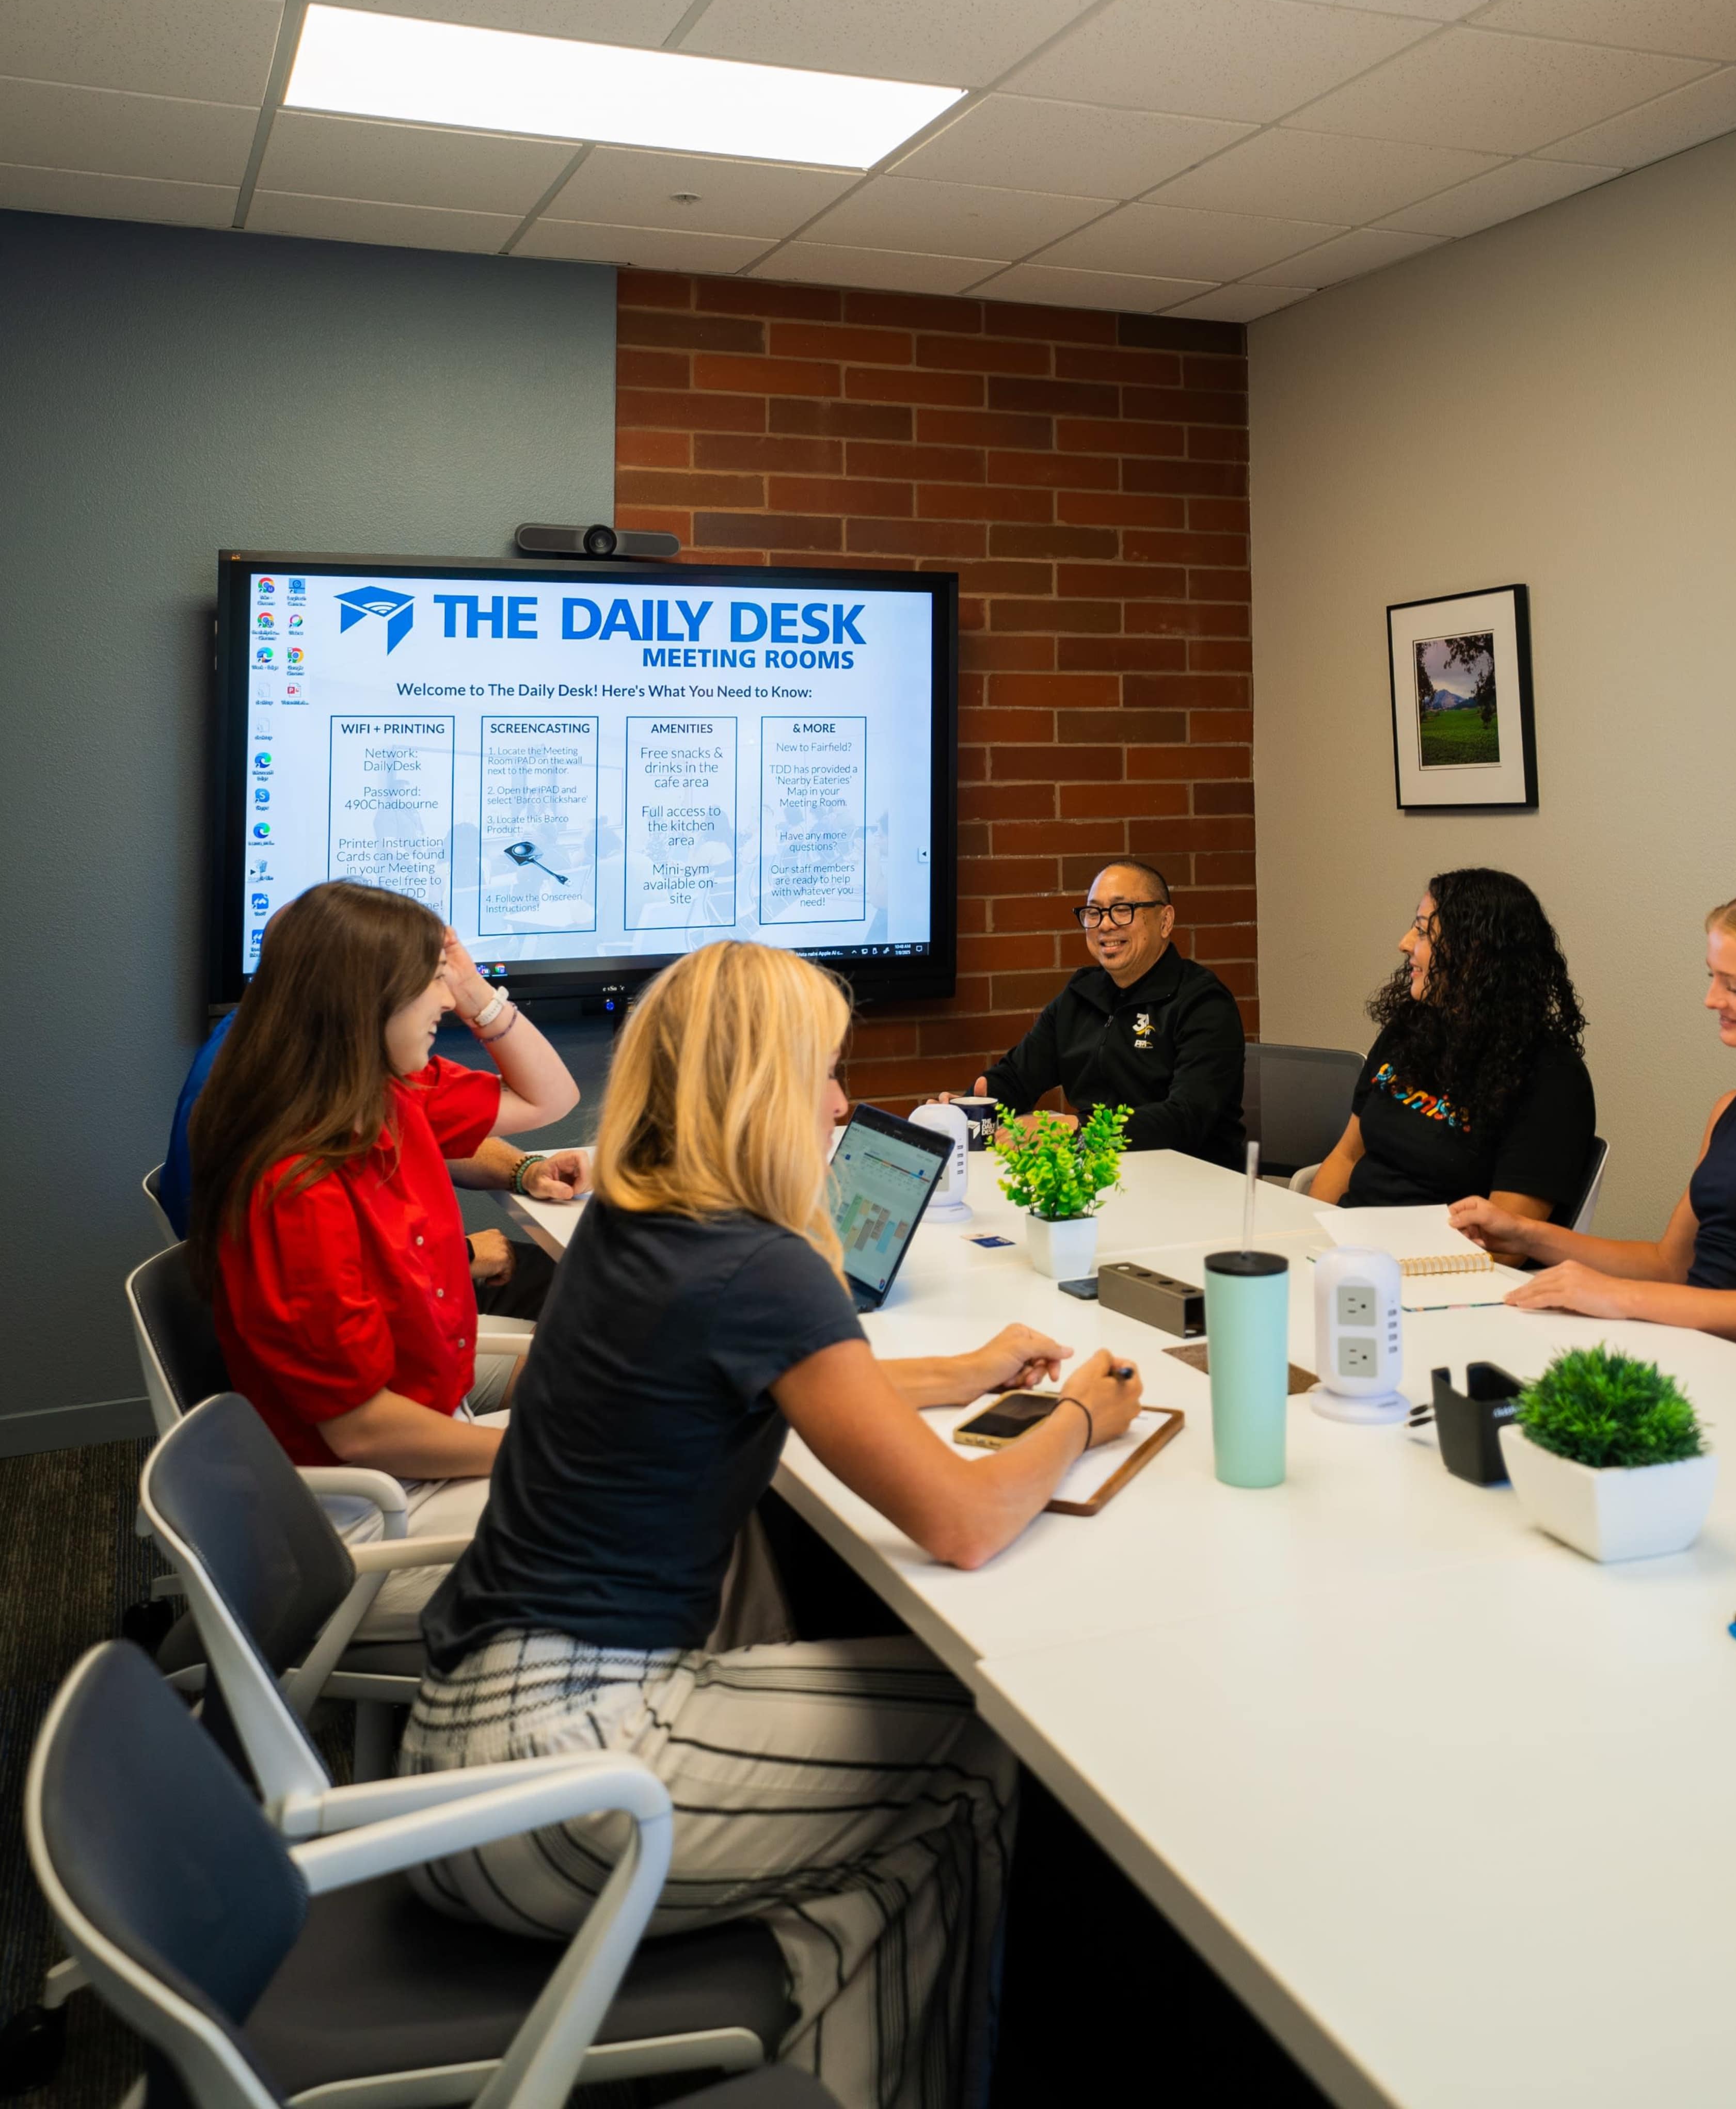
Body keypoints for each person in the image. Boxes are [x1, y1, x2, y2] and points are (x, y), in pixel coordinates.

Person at [400, 936, 1143, 2109]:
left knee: (871, 1847)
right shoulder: (756, 1262)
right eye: (825, 1075)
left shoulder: (641, 1225)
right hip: (561, 1784)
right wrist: (1077, 1419)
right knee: (969, 1756)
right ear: (758, 1088)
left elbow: (774, 1375)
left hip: (456, 1741)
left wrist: (962, 1372)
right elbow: (960, 1519)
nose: (844, 1105)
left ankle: (827, 2062)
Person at [184, 883, 585, 1620]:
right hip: (369, 1522)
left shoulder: (373, 1090)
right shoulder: (296, 1185)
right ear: (365, 1003)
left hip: (420, 1435)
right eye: (429, 982)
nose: (443, 1001)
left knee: (608, 1401)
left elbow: (549, 1097)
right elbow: (365, 1429)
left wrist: (475, 993)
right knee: (657, 1516)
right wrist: (543, 1453)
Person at [1453, 881, 1736, 1368]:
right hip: (1690, 1353)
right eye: (1713, 978)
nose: (1712, 999)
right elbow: (1671, 1266)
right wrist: (1525, 1234)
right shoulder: (1734, 1107)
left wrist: (1622, 1298)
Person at [161, 1004, 558, 1318]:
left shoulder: (284, 1049)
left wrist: (524, 1171)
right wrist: (464, 1255)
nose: (448, 1000)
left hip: (374, 1292)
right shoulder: (287, 1126)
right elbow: (333, 1286)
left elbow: (424, 1127)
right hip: (379, 1315)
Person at [1305, 869, 1594, 1226]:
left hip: (1444, 1266)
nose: (1405, 943)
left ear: (1475, 954)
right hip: (1352, 1249)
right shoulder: (1410, 1029)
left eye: (1424, 931)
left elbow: (1507, 1241)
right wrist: (1309, 1231)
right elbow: (1347, 1157)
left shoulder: (1552, 1076)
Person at [952, 856, 1245, 1167]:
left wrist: (1075, 1128)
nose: (1105, 924)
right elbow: (1016, 1077)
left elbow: (1185, 1119)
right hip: (1095, 1178)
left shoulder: (1203, 1003)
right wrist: (966, 1110)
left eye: (1122, 910)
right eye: (1094, 912)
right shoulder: (1081, 995)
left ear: (1165, 921)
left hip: (1194, 1185)